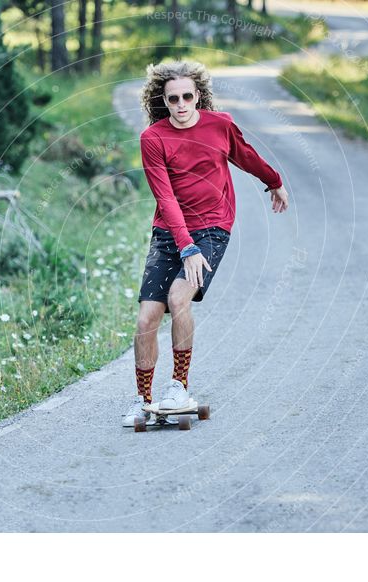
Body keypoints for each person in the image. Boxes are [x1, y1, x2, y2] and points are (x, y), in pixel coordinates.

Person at [122, 60, 289, 427]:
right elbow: (165, 199)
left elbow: (247, 157)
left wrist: (274, 181)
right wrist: (184, 246)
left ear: (199, 96)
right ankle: (142, 399)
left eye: (187, 97)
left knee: (179, 297)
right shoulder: (153, 138)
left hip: (213, 228)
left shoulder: (221, 125)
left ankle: (178, 386)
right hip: (170, 234)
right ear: (162, 101)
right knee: (146, 317)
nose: (181, 105)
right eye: (173, 99)